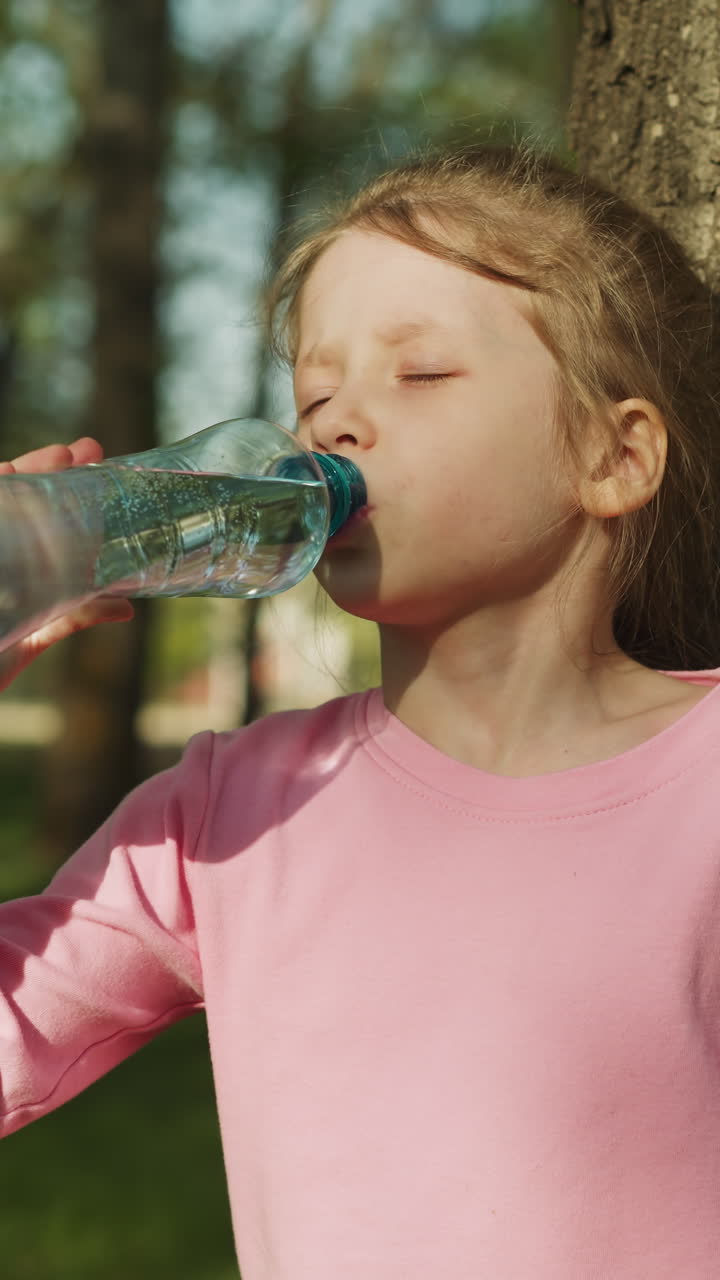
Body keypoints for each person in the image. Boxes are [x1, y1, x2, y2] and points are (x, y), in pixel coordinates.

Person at [2, 143, 720, 1278]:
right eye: (313, 396)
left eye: (419, 373)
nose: (336, 425)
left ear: (613, 454)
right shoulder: (222, 817)